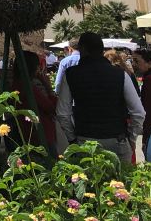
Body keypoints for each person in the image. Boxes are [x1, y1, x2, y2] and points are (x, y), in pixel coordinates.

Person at [55, 32, 144, 162]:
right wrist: (131, 137)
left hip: (85, 139)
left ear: (82, 50)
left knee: (89, 181)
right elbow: (139, 112)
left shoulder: (71, 75)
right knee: (121, 181)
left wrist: (72, 139)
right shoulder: (120, 74)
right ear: (102, 50)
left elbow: (62, 113)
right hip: (117, 138)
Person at [15, 49, 58, 156]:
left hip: (26, 131)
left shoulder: (16, 84)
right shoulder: (28, 87)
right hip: (40, 132)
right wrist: (48, 88)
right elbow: (49, 107)